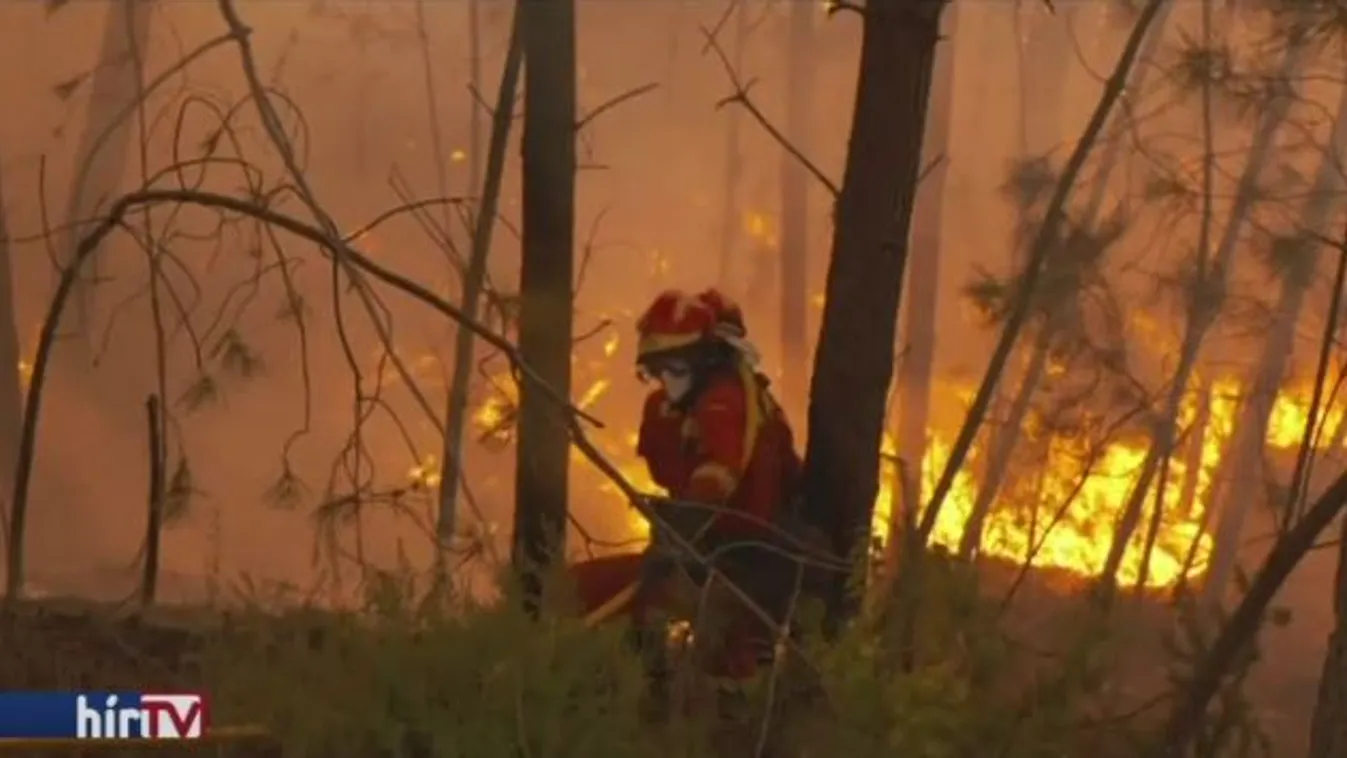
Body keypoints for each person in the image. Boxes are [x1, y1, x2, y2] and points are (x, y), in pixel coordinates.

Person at [568, 287, 806, 682]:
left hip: (742, 564)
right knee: (593, 593)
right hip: (709, 555)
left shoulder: (726, 401)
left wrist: (682, 525)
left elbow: (717, 478)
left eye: (675, 368)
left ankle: (660, 690)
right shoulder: (686, 407)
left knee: (725, 671)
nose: (666, 381)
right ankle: (648, 681)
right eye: (657, 371)